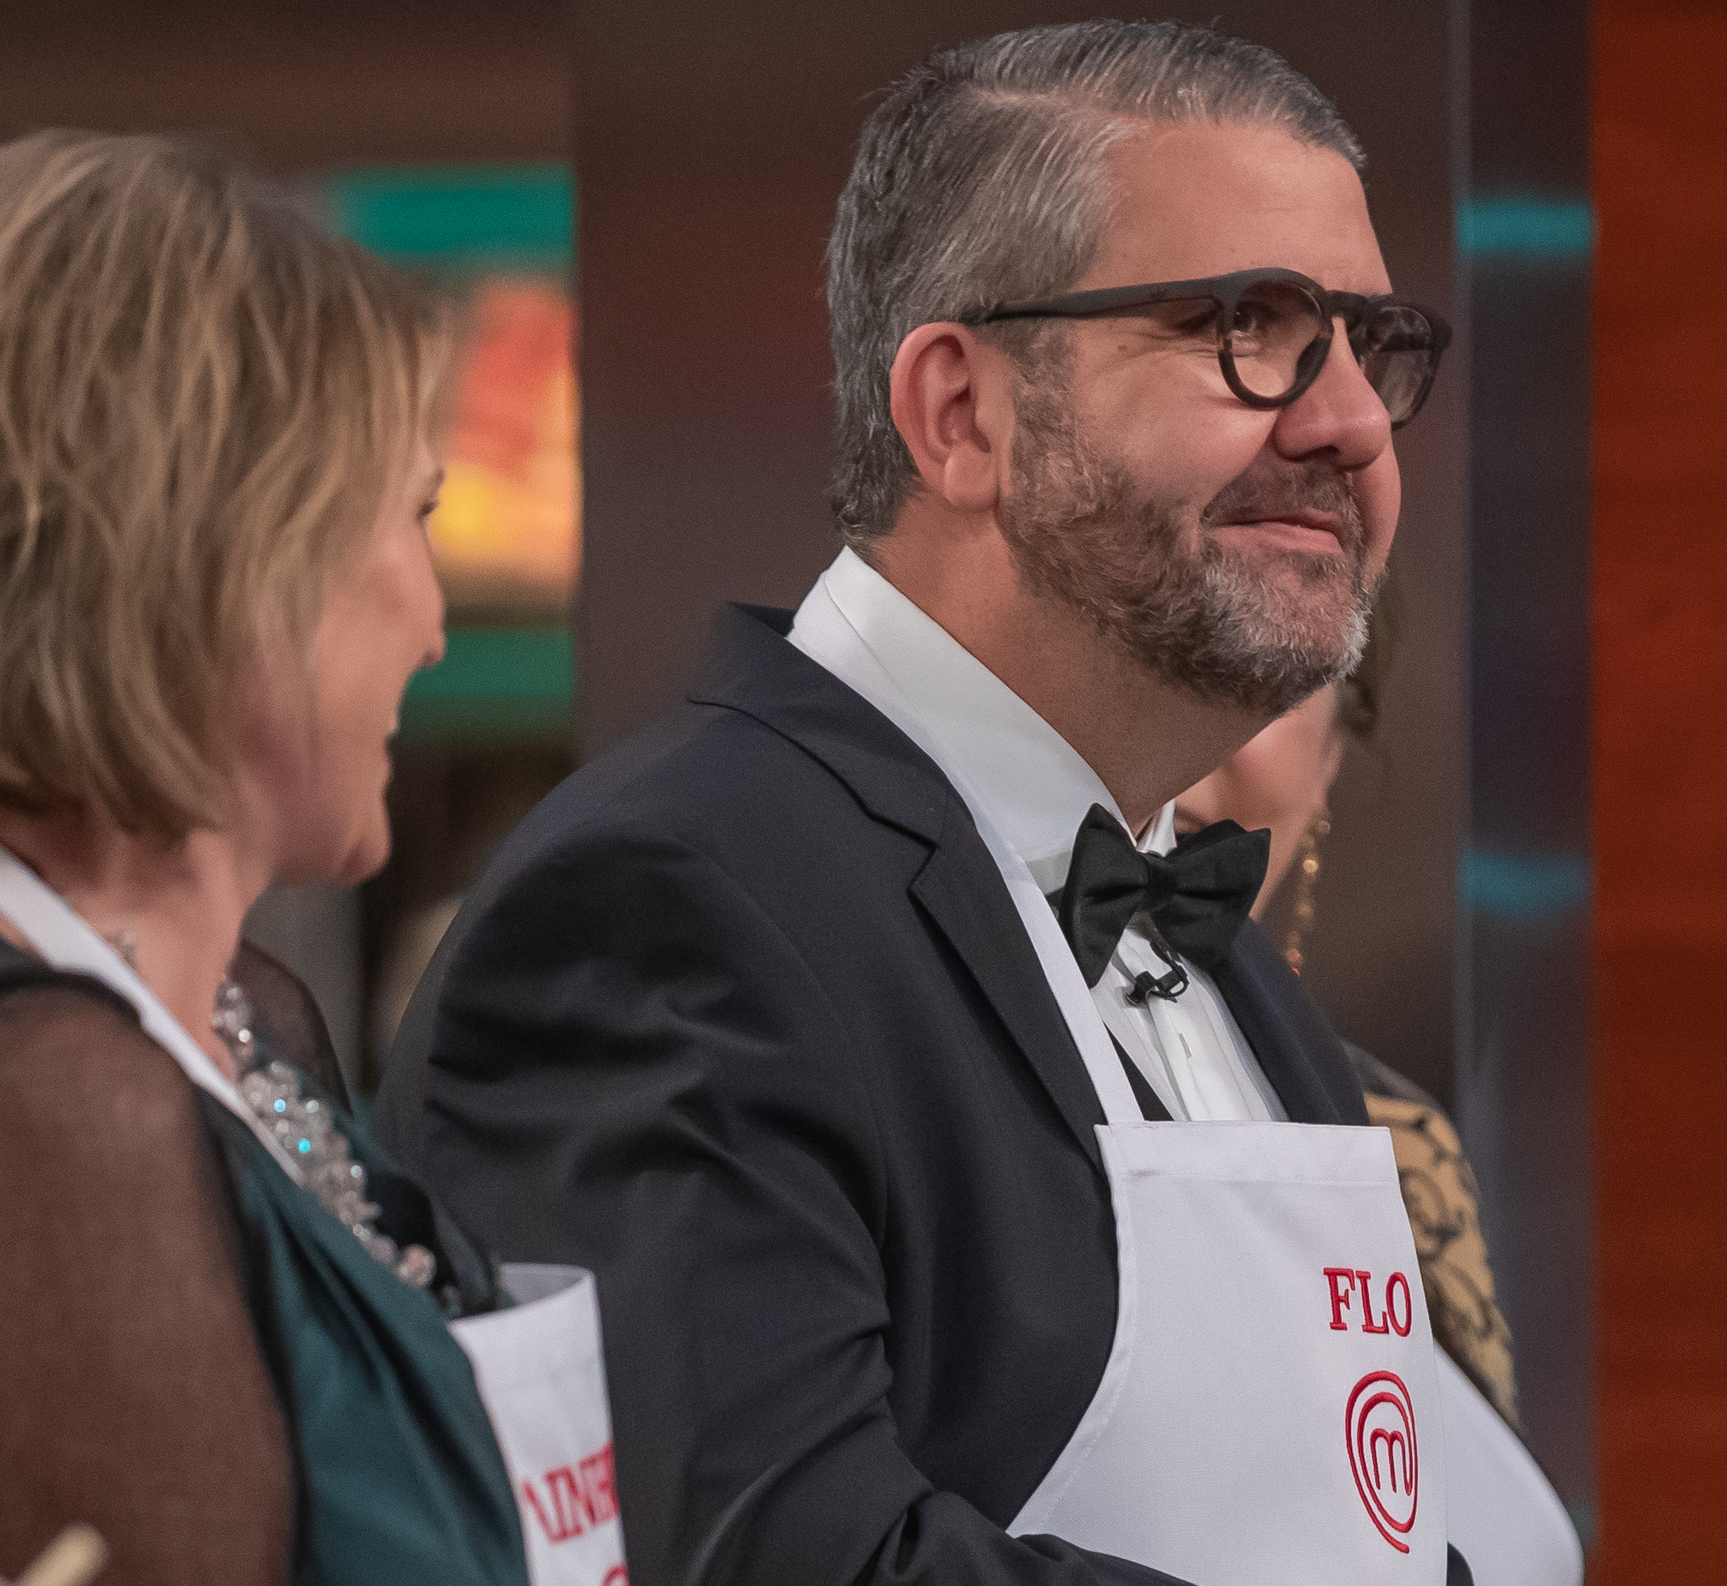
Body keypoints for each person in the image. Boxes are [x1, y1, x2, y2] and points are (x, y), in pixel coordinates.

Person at [381, 21, 1478, 1586]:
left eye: (1372, 346)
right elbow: (765, 1555)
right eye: (1251, 329)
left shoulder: (1233, 966)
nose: (1353, 423)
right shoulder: (667, 901)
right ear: (962, 413)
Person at [0, 131, 527, 1586]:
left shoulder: (248, 1013)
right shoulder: (53, 1107)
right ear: (235, 553)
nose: (435, 623)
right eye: (415, 516)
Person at [1173, 622, 1585, 1586]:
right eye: (1154, 657)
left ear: (1330, 762)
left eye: (1255, 671)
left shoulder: (1403, 1149)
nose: (1184, 737)